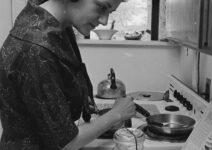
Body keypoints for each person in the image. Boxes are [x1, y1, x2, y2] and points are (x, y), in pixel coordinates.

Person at [0, 0, 136, 150]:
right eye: (102, 7)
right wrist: (116, 114)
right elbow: (66, 143)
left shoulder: (58, 27)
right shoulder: (35, 49)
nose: (104, 21)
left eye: (110, 12)